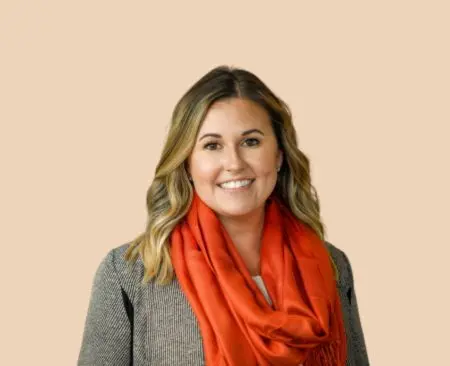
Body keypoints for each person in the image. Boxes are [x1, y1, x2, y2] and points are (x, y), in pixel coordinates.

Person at [77, 66, 370, 366]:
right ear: (187, 163)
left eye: (251, 141)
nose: (234, 163)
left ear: (279, 155)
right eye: (212, 146)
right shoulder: (131, 274)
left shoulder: (332, 267)